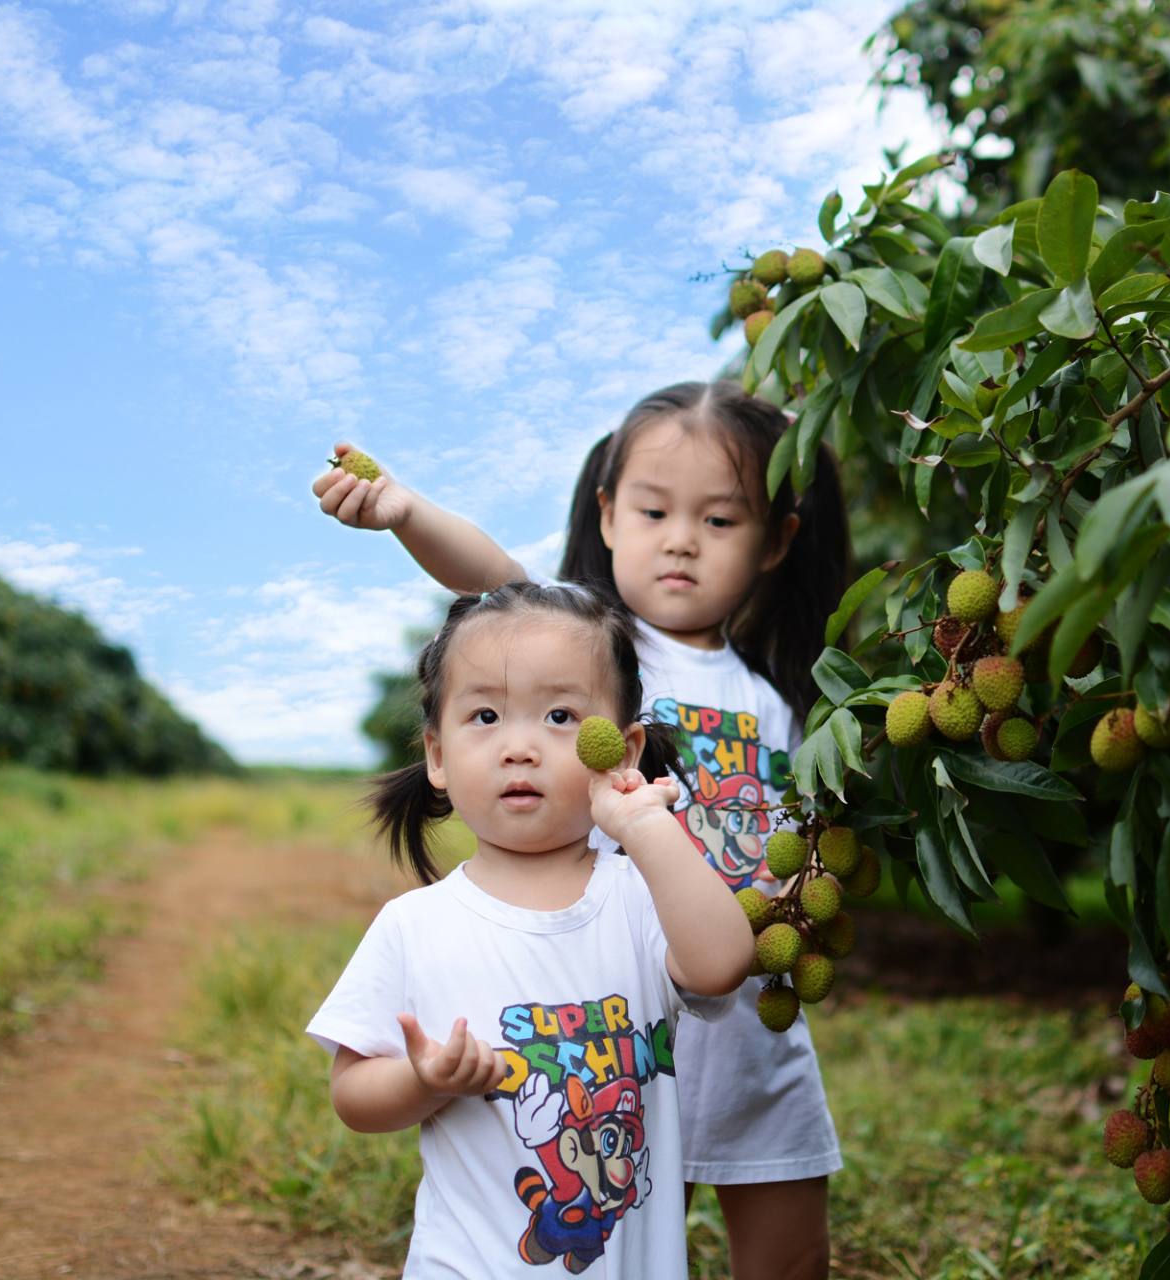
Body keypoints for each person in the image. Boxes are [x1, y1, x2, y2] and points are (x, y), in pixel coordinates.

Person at [314, 381, 851, 1279]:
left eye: (720, 520)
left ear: (775, 541)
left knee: (793, 1254)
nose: (680, 539)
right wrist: (406, 514)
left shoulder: (790, 692)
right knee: (630, 1223)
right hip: (623, 1002)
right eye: (653, 510)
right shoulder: (602, 651)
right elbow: (501, 589)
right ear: (607, 515)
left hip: (753, 1020)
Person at [308, 581, 754, 1276]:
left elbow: (724, 963)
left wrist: (645, 827)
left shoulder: (642, 896)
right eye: (485, 715)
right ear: (437, 756)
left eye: (560, 716)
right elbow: (352, 1094)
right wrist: (425, 1081)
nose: (519, 747)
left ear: (622, 750)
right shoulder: (416, 925)